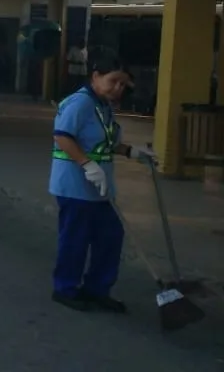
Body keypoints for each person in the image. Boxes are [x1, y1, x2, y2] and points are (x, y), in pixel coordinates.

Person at [49, 49, 156, 313]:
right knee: (76, 238)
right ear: (96, 76)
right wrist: (87, 165)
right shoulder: (80, 103)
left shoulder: (104, 106)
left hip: (100, 186)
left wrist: (133, 151)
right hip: (75, 185)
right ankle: (65, 288)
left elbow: (106, 142)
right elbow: (62, 137)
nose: (118, 88)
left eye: (122, 84)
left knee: (110, 236)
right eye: (113, 81)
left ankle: (97, 289)